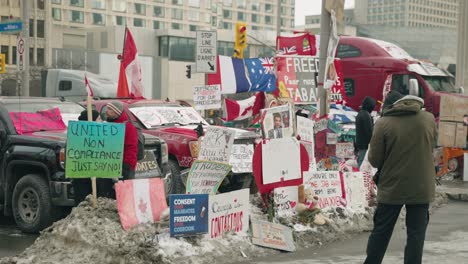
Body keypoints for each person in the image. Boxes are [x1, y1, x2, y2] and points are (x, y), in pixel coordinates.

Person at [364, 94, 437, 264]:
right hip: (421, 186)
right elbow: (432, 144)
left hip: (392, 186)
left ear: (390, 106)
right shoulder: (428, 119)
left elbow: (374, 159)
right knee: (416, 235)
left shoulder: (383, 123)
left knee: (381, 232)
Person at [73, 109, 101, 205]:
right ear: (92, 120)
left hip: (95, 173)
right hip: (82, 174)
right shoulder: (77, 135)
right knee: (83, 200)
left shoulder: (101, 134)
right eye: (99, 118)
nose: (101, 121)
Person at [105, 101, 138, 180]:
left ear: (117, 112)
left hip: (125, 165)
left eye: (109, 109)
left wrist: (127, 164)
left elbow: (131, 147)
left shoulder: (128, 127)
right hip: (108, 165)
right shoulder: (106, 125)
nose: (106, 111)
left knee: (124, 191)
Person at [355, 96, 376, 167]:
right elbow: (369, 132)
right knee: (362, 162)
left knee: (360, 159)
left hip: (360, 143)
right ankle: (359, 176)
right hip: (364, 144)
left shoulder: (361, 113)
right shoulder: (365, 115)